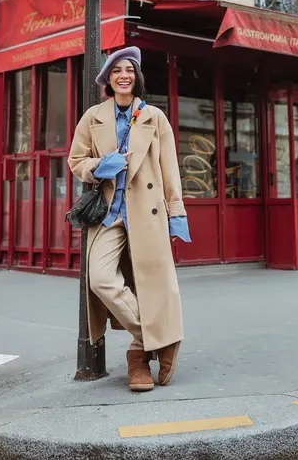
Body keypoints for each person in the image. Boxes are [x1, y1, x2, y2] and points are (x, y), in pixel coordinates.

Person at [68, 47, 191, 392]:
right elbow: (76, 159)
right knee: (101, 280)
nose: (124, 75)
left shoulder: (155, 117)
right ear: (107, 78)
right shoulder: (93, 117)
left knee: (151, 284)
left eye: (130, 70)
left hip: (147, 213)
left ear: (137, 78)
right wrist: (98, 167)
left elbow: (170, 169)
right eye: (117, 70)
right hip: (108, 213)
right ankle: (160, 338)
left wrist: (176, 212)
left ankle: (138, 357)